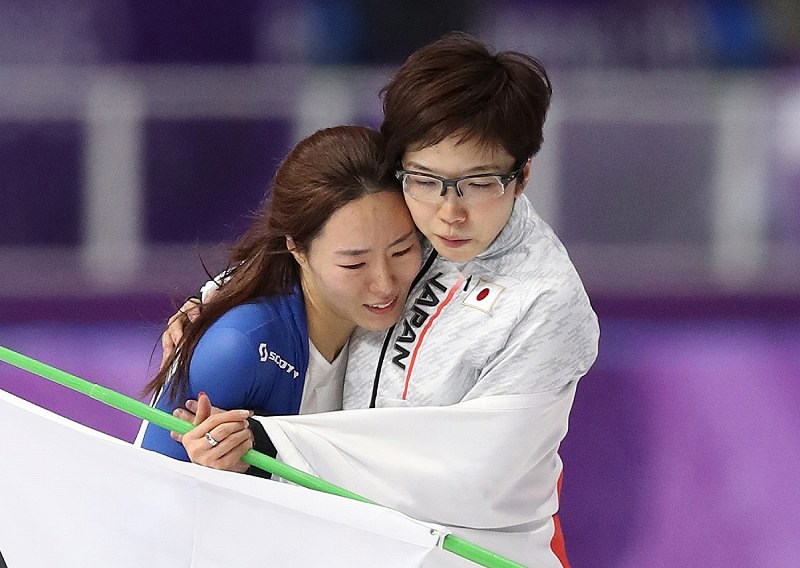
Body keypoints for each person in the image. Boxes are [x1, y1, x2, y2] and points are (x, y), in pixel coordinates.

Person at [162, 32, 599, 568]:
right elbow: (321, 234)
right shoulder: (404, 212)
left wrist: (274, 447)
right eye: (426, 181)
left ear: (523, 173)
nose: (450, 213)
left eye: (480, 182)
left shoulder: (547, 302)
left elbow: (479, 473)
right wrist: (214, 301)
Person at [135, 125, 422, 472]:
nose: (384, 284)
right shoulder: (238, 348)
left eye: (402, 251)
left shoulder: (428, 285)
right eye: (354, 264)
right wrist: (216, 472)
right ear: (296, 248)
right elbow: (151, 485)